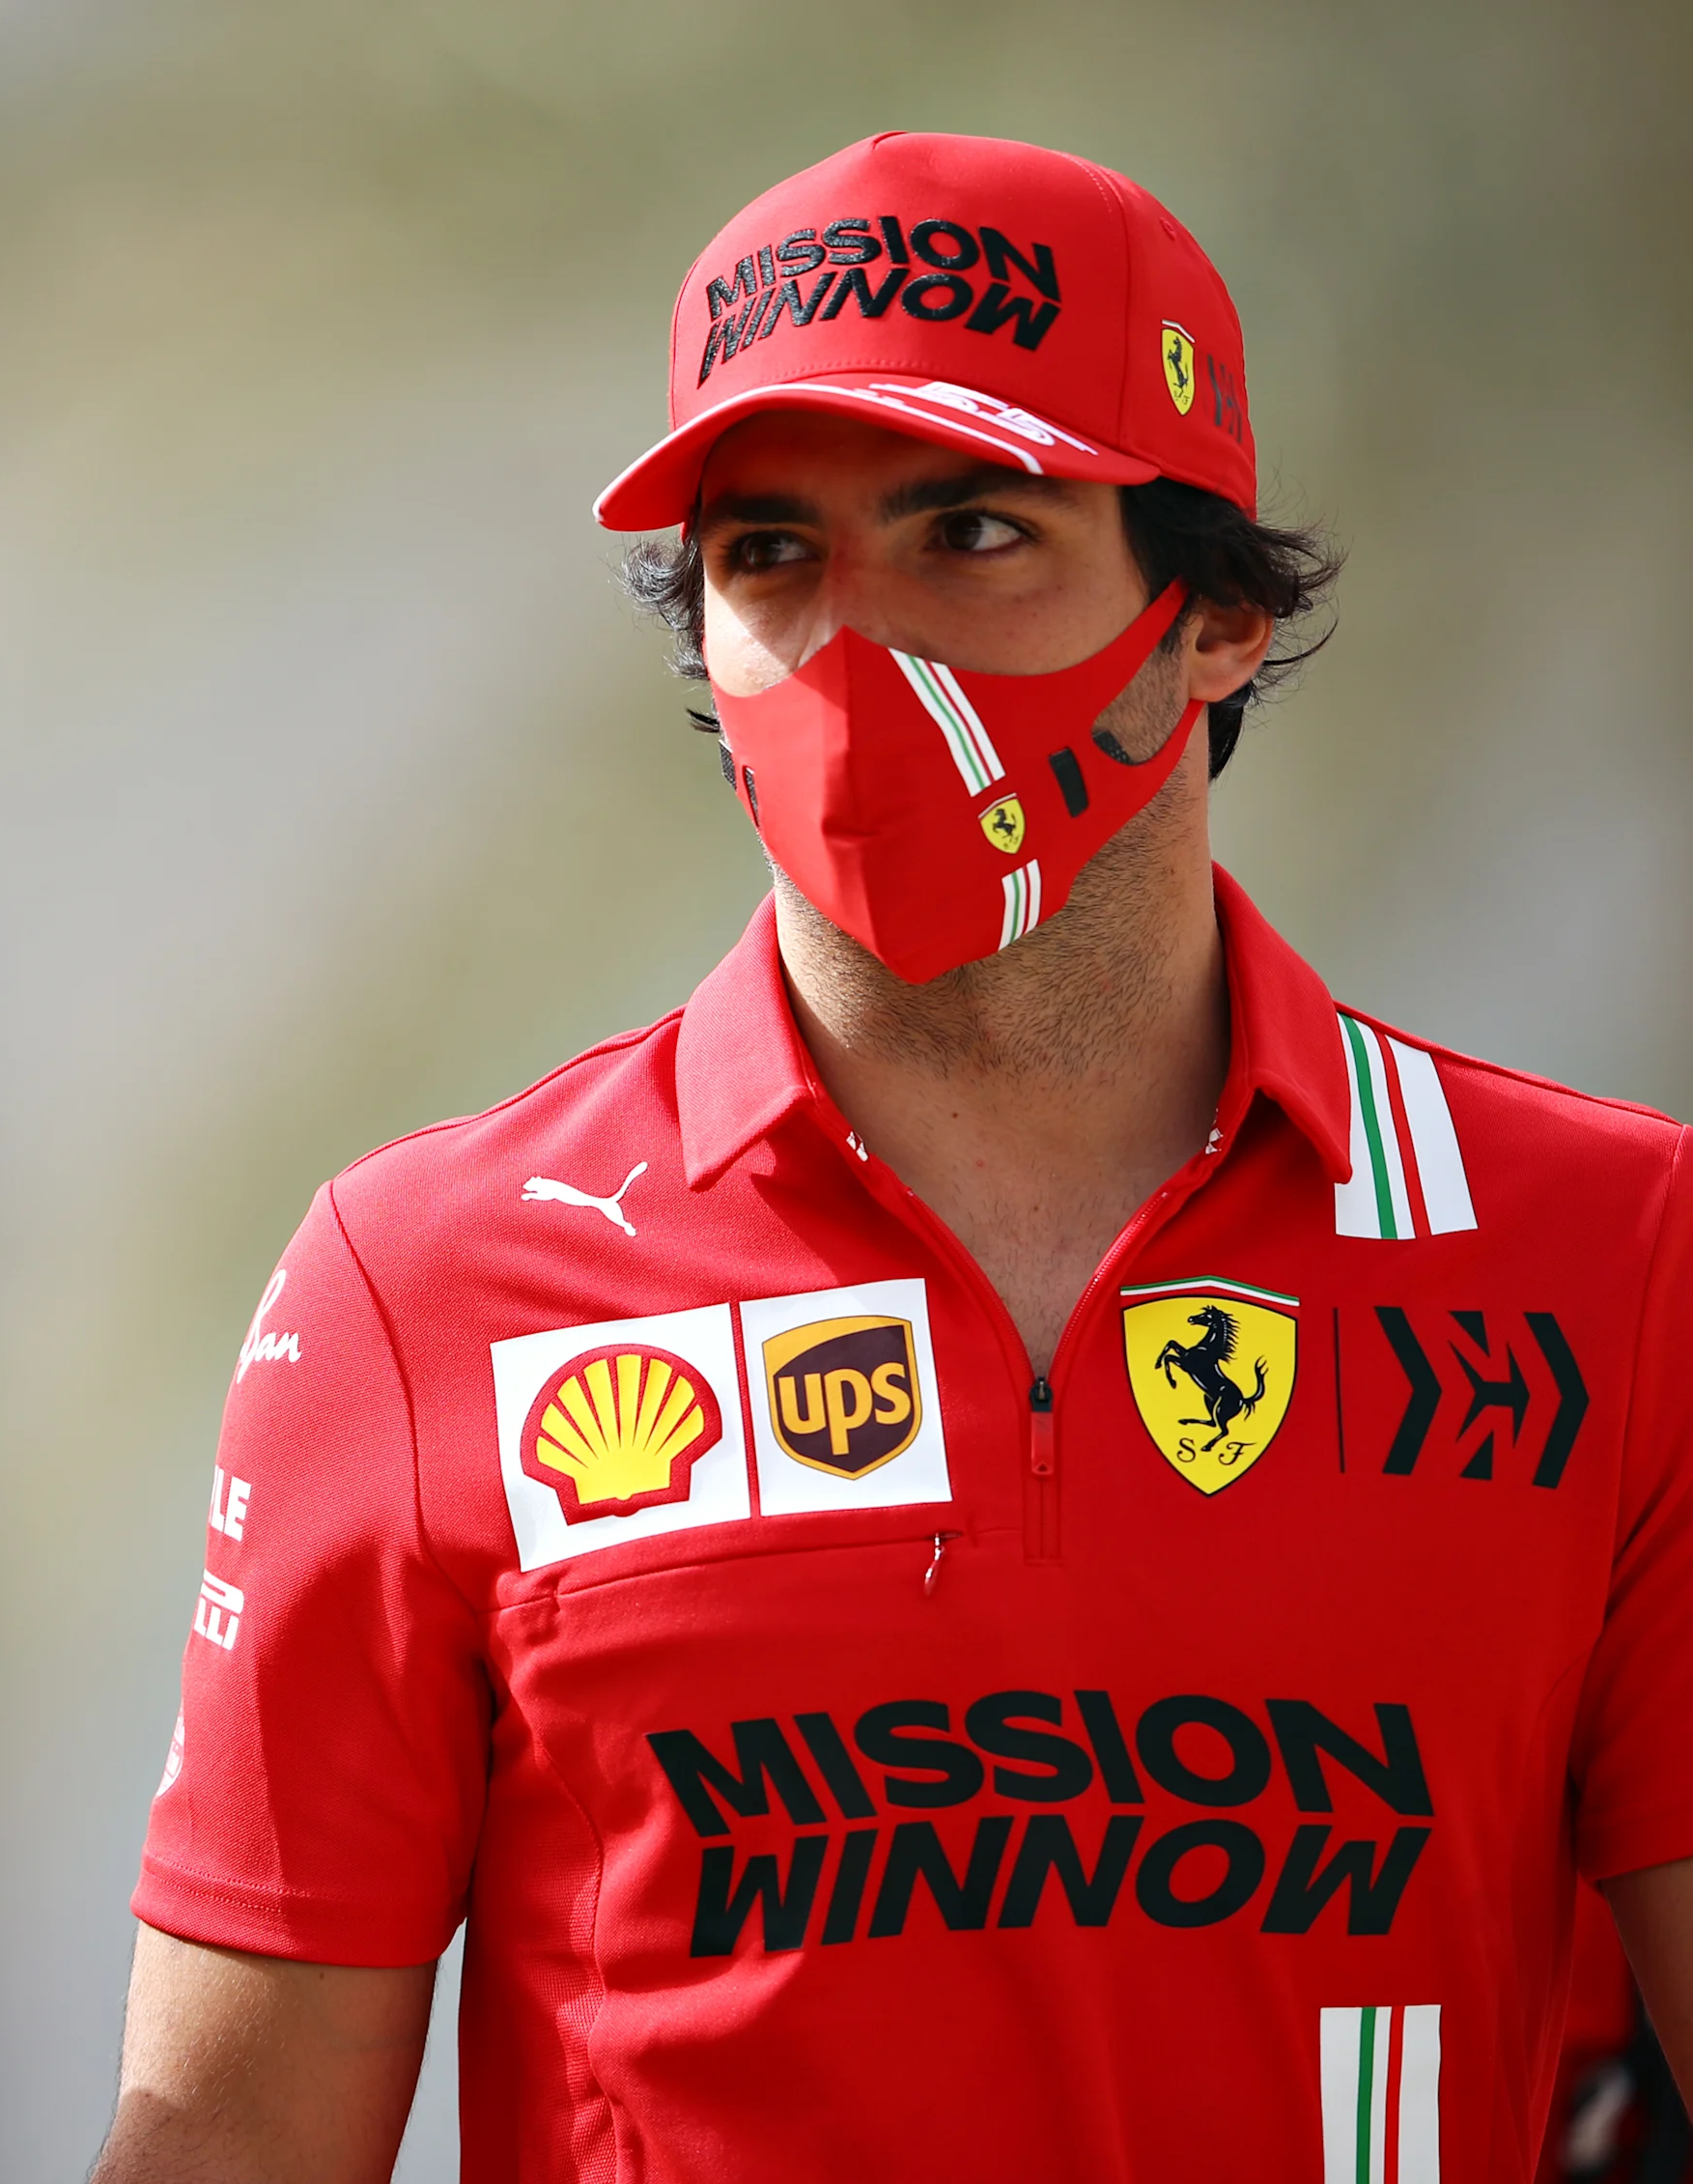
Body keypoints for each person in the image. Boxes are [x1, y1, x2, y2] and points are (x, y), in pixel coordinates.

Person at [91, 129, 1693, 2182]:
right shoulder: (419, 1282)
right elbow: (220, 2144)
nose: (855, 652)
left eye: (972, 530)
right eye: (770, 555)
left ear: (1206, 620)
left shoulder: (1608, 1254)